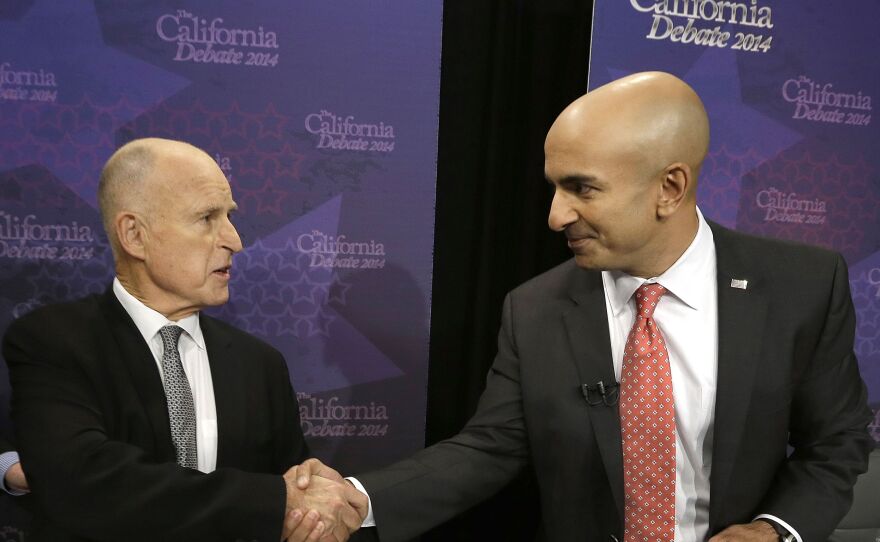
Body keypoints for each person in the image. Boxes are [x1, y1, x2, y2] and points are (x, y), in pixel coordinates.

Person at [299, 72, 874, 541]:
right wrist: (361, 500)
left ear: (669, 188)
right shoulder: (536, 309)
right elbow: (490, 446)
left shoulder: (802, 284)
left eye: (583, 189)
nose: (555, 216)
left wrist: (775, 531)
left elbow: (835, 442)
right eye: (554, 187)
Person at [1, 138, 368, 541]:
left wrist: (311, 502)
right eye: (207, 218)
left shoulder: (258, 363)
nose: (234, 240)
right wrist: (275, 503)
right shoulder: (53, 341)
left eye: (229, 216)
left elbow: (296, 495)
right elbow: (85, 483)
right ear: (134, 235)